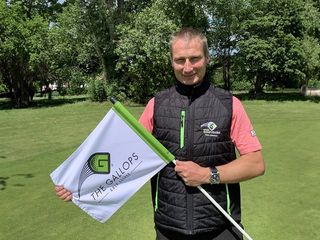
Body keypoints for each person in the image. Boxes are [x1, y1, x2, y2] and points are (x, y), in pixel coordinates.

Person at [55, 27, 265, 240]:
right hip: (168, 229)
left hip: (221, 228)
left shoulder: (229, 104)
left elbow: (255, 164)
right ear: (171, 61)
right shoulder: (156, 105)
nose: (187, 67)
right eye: (180, 60)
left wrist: (206, 175)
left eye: (195, 58)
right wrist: (79, 187)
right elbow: (124, 160)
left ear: (207, 58)